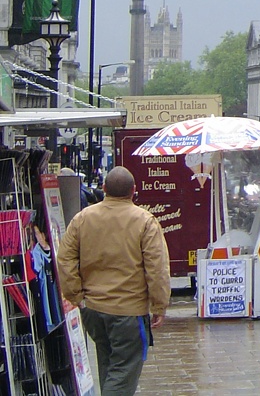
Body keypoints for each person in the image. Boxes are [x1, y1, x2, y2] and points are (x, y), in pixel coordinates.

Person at [56, 166, 170, 396]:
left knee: (108, 364)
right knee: (124, 371)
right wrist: (159, 305)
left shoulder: (82, 219)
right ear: (134, 190)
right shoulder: (145, 221)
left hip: (93, 309)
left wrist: (76, 296)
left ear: (104, 188)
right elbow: (156, 268)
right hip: (129, 310)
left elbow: (64, 258)